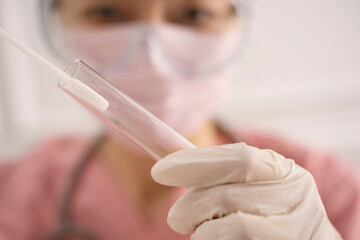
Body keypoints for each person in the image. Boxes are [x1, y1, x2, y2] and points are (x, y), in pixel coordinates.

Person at [0, 0, 359, 239]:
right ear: (57, 23)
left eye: (193, 14)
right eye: (107, 11)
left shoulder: (329, 191)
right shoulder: (13, 194)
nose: (152, 53)